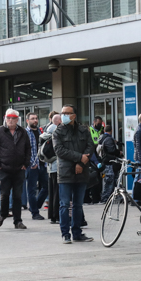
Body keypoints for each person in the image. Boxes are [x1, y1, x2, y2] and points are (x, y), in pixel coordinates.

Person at [52, 104, 94, 244]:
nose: (63, 115)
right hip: (65, 172)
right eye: (62, 112)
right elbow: (59, 150)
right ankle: (65, 234)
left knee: (78, 204)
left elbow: (90, 147)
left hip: (81, 172)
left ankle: (77, 232)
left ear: (74, 115)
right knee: (64, 204)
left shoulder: (84, 130)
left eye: (67, 113)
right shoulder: (58, 132)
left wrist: (81, 163)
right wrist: (79, 157)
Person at [0, 108, 30, 230]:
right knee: (4, 194)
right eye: (8, 118)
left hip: (19, 168)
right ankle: (2, 215)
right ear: (5, 119)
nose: (10, 120)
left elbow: (28, 149)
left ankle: (17, 221)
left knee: (18, 196)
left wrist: (26, 163)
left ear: (17, 119)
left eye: (13, 118)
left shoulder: (23, 132)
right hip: (4, 168)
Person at [25, 112, 48, 221]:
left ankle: (35, 206)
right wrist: (30, 163)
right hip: (32, 166)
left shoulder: (40, 131)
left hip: (42, 164)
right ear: (27, 121)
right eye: (32, 118)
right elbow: (23, 150)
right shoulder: (25, 133)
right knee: (32, 190)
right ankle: (35, 213)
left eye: (36, 118)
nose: (35, 120)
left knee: (47, 187)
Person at [43, 112, 61, 224]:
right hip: (56, 165)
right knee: (57, 192)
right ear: (58, 121)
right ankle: (56, 215)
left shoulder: (47, 130)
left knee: (52, 191)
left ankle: (52, 215)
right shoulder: (56, 131)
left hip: (50, 166)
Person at [98, 124, 120, 203]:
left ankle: (107, 198)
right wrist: (119, 153)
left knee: (107, 181)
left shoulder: (101, 138)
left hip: (104, 163)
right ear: (111, 130)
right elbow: (112, 150)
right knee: (109, 181)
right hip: (109, 163)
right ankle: (105, 198)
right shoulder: (108, 139)